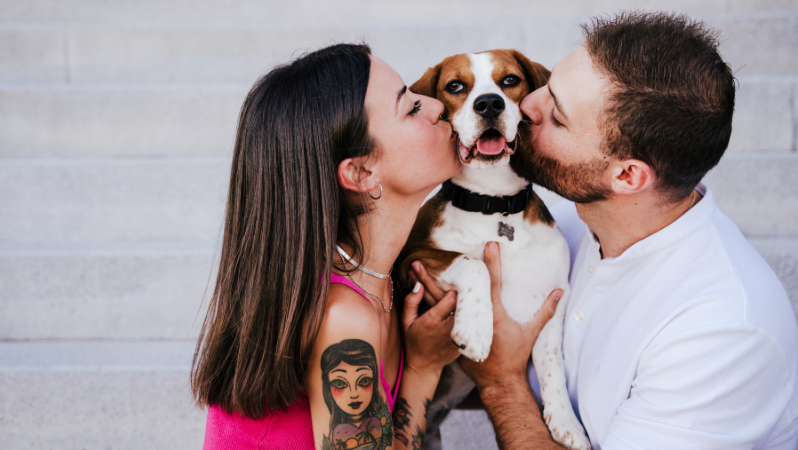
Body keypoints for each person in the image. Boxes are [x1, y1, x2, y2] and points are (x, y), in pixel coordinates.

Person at [412, 12, 798, 449]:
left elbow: (503, 372)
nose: (526, 107)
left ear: (627, 176)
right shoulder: (567, 226)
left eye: (557, 115)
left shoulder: (719, 336)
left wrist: (500, 381)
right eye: (546, 88)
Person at [191, 43, 464, 449]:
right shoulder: (343, 318)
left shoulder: (382, 280)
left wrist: (423, 365)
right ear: (360, 172)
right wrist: (422, 371)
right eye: (410, 108)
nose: (437, 106)